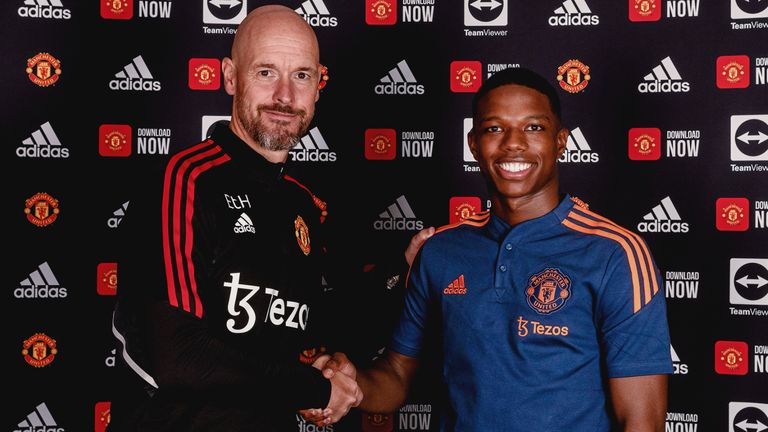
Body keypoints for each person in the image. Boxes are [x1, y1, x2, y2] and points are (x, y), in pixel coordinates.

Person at [110, 5, 433, 430]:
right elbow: (178, 355)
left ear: (318, 86)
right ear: (230, 77)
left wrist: (401, 269)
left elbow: (308, 323)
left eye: (301, 75)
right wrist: (315, 389)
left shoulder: (303, 203)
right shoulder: (184, 181)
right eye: (265, 72)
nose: (285, 95)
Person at [322, 67, 673, 431]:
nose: (513, 143)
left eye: (534, 127)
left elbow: (642, 421)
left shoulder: (616, 253)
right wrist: (353, 385)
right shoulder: (441, 249)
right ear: (473, 143)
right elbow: (397, 374)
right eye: (494, 128)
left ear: (561, 141)